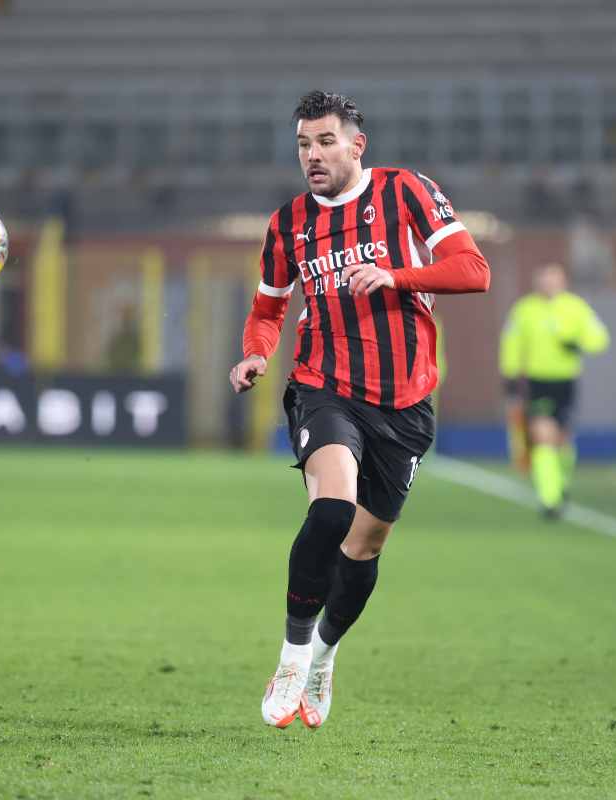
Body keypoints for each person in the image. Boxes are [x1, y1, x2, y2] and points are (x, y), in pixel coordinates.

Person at [229, 91, 490, 729]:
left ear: (355, 145)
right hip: (325, 386)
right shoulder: (288, 222)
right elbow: (269, 308)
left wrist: (397, 276)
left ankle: (323, 656)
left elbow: (474, 269)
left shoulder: (407, 192)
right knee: (333, 507)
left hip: (405, 401)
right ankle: (292, 654)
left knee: (364, 547)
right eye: (302, 145)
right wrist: (256, 354)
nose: (312, 156)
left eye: (323, 142)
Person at [499, 263, 609, 517]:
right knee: (542, 435)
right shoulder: (524, 309)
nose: (549, 284)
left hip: (567, 383)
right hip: (538, 384)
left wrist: (579, 343)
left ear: (563, 282)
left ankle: (561, 483)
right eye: (545, 279)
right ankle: (550, 499)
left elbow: (600, 337)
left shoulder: (576, 307)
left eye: (554, 279)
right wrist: (511, 375)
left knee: (563, 440)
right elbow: (511, 342)